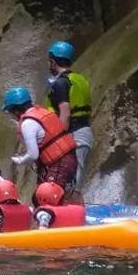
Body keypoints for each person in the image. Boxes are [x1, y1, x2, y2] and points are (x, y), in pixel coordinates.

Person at [1, 86, 78, 196]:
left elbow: (33, 154)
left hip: (59, 164)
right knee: (43, 197)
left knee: (47, 197)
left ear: (16, 110)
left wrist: (20, 160)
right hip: (70, 158)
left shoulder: (27, 123)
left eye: (11, 111)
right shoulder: (43, 112)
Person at [45, 41, 94, 197]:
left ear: (53, 61)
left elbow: (64, 113)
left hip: (73, 134)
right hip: (84, 130)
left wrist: (57, 140)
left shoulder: (60, 83)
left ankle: (73, 215)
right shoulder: (79, 79)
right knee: (75, 181)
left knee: (70, 182)